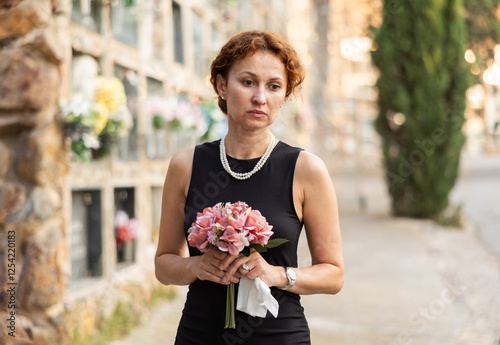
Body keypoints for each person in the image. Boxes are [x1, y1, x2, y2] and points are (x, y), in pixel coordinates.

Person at [155, 30, 344, 345]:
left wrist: (279, 275)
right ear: (221, 85)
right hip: (200, 334)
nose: (261, 98)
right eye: (248, 82)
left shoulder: (306, 170)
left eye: (274, 87)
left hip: (280, 336)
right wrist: (197, 266)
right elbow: (164, 265)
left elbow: (334, 274)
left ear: (284, 95)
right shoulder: (185, 165)